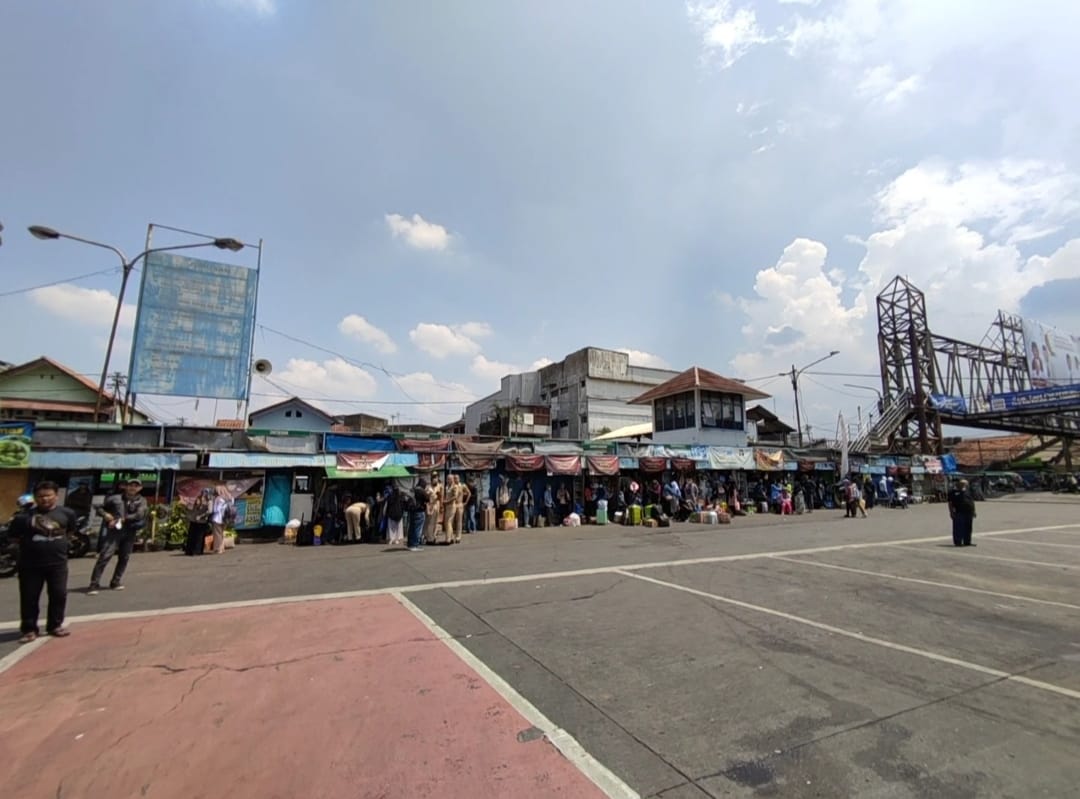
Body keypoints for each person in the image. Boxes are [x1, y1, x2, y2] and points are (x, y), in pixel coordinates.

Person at [11, 482, 76, 643]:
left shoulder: (67, 513)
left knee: (58, 595)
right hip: (30, 565)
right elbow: (13, 537)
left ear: (56, 496)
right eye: (41, 496)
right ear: (35, 498)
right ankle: (29, 629)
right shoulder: (23, 517)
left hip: (58, 563)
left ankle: (55, 625)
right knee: (29, 597)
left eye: (48, 495)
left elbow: (70, 532)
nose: (45, 499)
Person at [89, 479, 148, 594]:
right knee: (105, 556)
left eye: (136, 486)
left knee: (124, 557)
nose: (133, 488)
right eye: (131, 485)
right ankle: (94, 584)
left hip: (130, 531)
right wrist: (106, 515)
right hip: (114, 531)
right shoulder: (115, 498)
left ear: (140, 488)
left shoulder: (142, 500)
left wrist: (122, 519)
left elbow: (139, 514)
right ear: (126, 487)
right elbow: (99, 507)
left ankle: (115, 581)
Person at [948, 478, 977, 546]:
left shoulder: (968, 491)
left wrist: (974, 511)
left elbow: (972, 502)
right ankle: (958, 542)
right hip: (959, 512)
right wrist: (951, 512)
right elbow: (950, 503)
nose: (964, 486)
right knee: (958, 528)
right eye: (962, 484)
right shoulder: (953, 492)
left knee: (968, 528)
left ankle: (967, 542)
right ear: (958, 484)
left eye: (965, 484)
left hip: (969, 512)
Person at [184, 488, 213, 556]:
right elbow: (191, 508)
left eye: (204, 493)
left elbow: (210, 511)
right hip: (194, 519)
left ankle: (197, 551)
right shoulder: (197, 499)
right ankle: (189, 550)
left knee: (199, 536)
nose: (202, 494)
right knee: (192, 535)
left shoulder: (209, 501)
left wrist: (201, 516)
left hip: (202, 521)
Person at [209, 484, 232, 555]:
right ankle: (222, 548)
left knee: (217, 535)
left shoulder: (218, 499)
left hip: (217, 518)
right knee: (221, 533)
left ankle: (218, 549)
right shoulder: (230, 498)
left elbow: (215, 510)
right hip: (226, 518)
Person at [407, 479, 428, 551]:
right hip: (419, 511)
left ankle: (410, 544)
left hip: (412, 511)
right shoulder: (421, 490)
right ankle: (415, 545)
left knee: (411, 528)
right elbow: (427, 499)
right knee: (417, 529)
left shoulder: (413, 489)